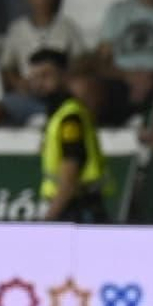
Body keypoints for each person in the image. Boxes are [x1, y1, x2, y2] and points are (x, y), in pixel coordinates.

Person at [0, 0, 86, 130]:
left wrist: (60, 79)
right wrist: (18, 83)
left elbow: (81, 61)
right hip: (28, 95)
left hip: (59, 96)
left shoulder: (67, 27)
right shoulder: (17, 29)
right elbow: (6, 67)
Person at [30, 48, 109, 221]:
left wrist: (48, 219)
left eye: (46, 75)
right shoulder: (57, 114)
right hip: (73, 208)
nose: (39, 83)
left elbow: (69, 174)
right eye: (35, 77)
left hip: (78, 211)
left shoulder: (69, 118)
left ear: (64, 76)